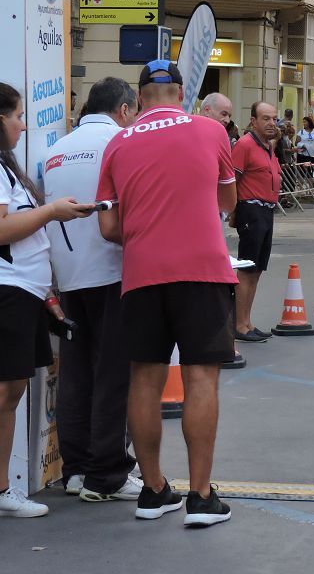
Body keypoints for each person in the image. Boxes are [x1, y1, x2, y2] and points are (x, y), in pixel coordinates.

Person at [97, 60, 237, 526]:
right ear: (181, 93)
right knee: (200, 378)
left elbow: (108, 225)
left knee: (144, 379)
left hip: (142, 274)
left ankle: (153, 490)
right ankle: (200, 497)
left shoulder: (117, 143)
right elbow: (228, 202)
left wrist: (145, 234)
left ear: (138, 100)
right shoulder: (211, 130)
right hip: (202, 271)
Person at [44, 77, 142, 504]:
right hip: (112, 269)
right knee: (113, 373)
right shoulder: (122, 142)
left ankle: (77, 469)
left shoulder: (55, 151)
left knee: (77, 371)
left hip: (67, 275)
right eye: (135, 111)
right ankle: (109, 474)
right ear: (123, 110)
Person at [0, 83, 93, 518]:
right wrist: (52, 211)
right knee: (6, 391)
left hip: (26, 292)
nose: (23, 124)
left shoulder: (8, 168)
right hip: (9, 291)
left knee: (12, 392)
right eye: (17, 115)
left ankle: (2, 490)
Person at [231, 102, 281, 344]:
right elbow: (232, 181)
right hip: (251, 210)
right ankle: (239, 325)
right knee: (247, 270)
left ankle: (247, 322)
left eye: (274, 119)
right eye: (265, 119)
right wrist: (233, 213)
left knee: (257, 270)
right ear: (253, 121)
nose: (271, 123)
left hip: (267, 211)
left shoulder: (268, 147)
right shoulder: (245, 145)